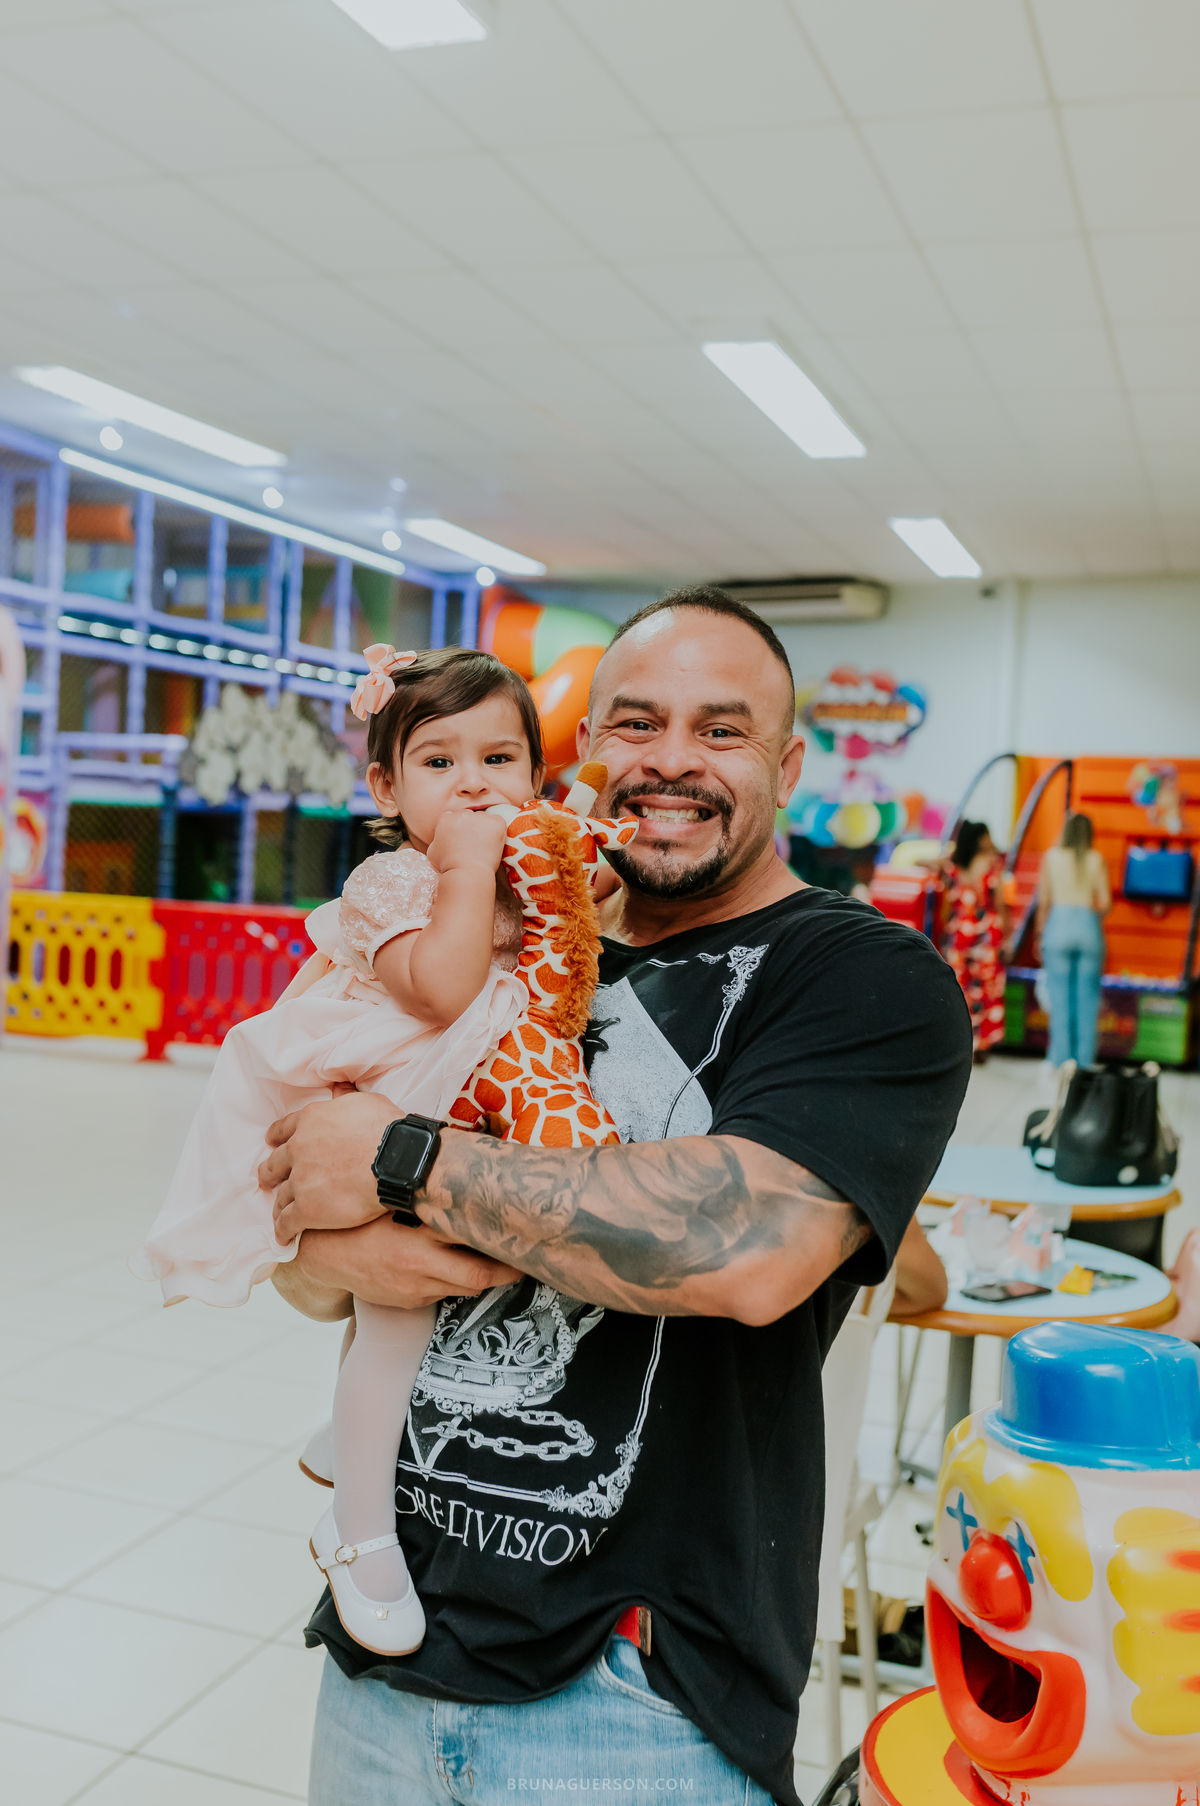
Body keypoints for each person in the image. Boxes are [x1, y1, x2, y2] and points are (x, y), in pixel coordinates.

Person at [262, 588, 973, 1806]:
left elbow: (744, 1249)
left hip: (634, 1690)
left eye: (722, 730)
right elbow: (299, 1249)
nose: (671, 762)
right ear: (580, 749)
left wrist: (400, 1166)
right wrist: (335, 1256)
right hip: (386, 1644)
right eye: (634, 723)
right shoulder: (484, 938)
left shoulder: (861, 977)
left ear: (789, 763)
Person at [133, 646, 597, 1657]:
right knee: (396, 1309)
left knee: (430, 1305)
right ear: (385, 786)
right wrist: (469, 870)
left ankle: (348, 1444)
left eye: (500, 758)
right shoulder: (394, 882)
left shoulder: (526, 865)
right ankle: (360, 1529)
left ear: (537, 774)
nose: (475, 784)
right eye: (439, 763)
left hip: (466, 1098)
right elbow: (437, 991)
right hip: (390, 1087)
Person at [1036, 810, 1111, 1069]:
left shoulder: (1051, 857)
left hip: (1058, 928)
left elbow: (1043, 902)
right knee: (1087, 1000)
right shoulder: (1096, 859)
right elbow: (1105, 904)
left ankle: (1060, 1060)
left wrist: (1039, 935)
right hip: (1088, 930)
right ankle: (1085, 1062)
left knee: (1059, 999)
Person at [942, 819, 1010, 1064]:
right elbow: (1000, 903)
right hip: (986, 936)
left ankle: (960, 1042)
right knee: (986, 989)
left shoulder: (954, 864)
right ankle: (980, 1044)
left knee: (960, 989)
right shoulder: (992, 864)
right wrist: (1008, 937)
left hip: (959, 932)